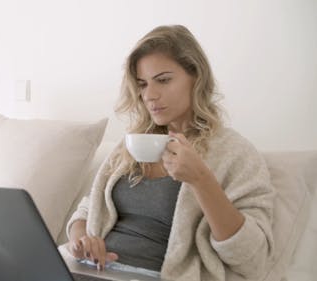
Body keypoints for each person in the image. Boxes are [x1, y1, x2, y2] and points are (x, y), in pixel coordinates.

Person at [65, 25, 275, 281]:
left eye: (163, 80)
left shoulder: (234, 153)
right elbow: (86, 210)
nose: (150, 95)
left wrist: (201, 179)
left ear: (196, 77)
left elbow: (252, 259)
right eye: (142, 84)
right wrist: (81, 241)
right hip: (91, 271)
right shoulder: (132, 144)